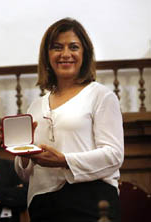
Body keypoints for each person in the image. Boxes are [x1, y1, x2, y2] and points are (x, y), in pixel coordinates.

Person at [14, 18, 124, 222]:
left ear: (85, 53)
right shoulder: (35, 106)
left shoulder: (100, 96)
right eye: (57, 47)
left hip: (90, 200)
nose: (65, 54)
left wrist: (64, 161)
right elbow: (24, 174)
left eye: (73, 47)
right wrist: (24, 155)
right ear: (47, 56)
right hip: (43, 204)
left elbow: (114, 156)